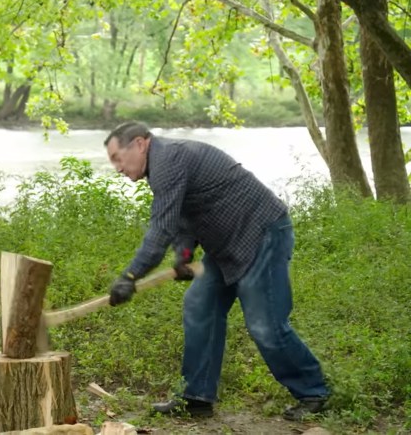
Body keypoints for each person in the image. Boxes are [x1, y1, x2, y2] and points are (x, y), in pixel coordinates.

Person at [104, 121, 329, 421]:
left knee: (264, 324)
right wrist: (184, 255)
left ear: (140, 144)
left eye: (117, 158)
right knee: (200, 304)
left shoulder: (168, 159)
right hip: (227, 247)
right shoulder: (163, 165)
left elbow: (160, 229)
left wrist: (131, 276)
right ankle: (196, 398)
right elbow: (183, 218)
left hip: (262, 234)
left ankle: (314, 392)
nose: (117, 168)